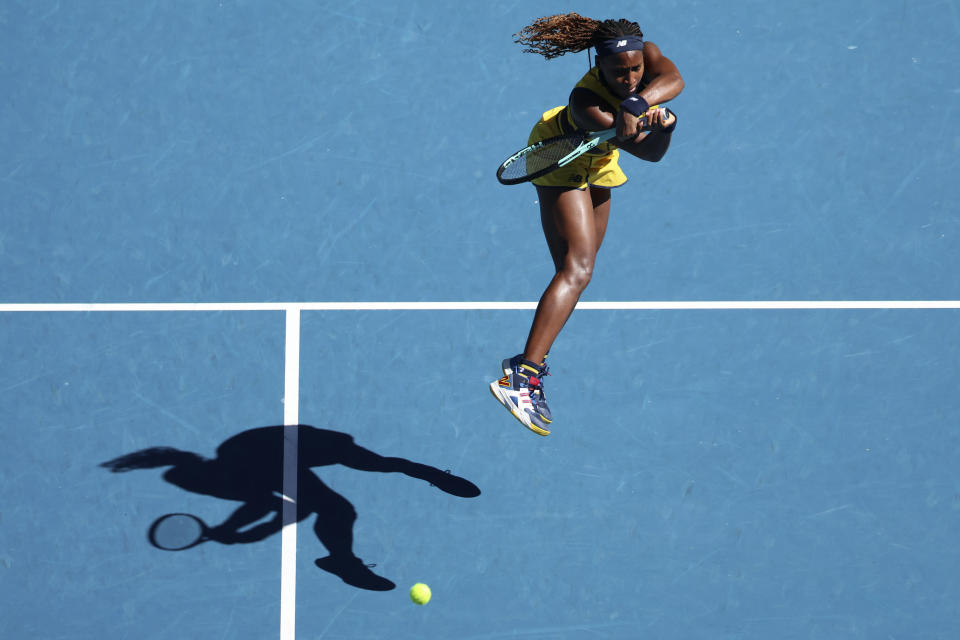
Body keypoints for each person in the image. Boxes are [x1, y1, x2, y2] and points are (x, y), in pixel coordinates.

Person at [489, 13, 685, 435]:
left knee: (579, 270)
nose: (631, 77)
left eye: (635, 68)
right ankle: (523, 376)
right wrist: (641, 121)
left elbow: (672, 82)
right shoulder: (586, 103)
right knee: (577, 270)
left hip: (599, 160)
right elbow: (645, 152)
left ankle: (526, 363)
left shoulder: (645, 60)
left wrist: (656, 119)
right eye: (619, 72)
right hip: (559, 155)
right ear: (598, 66)